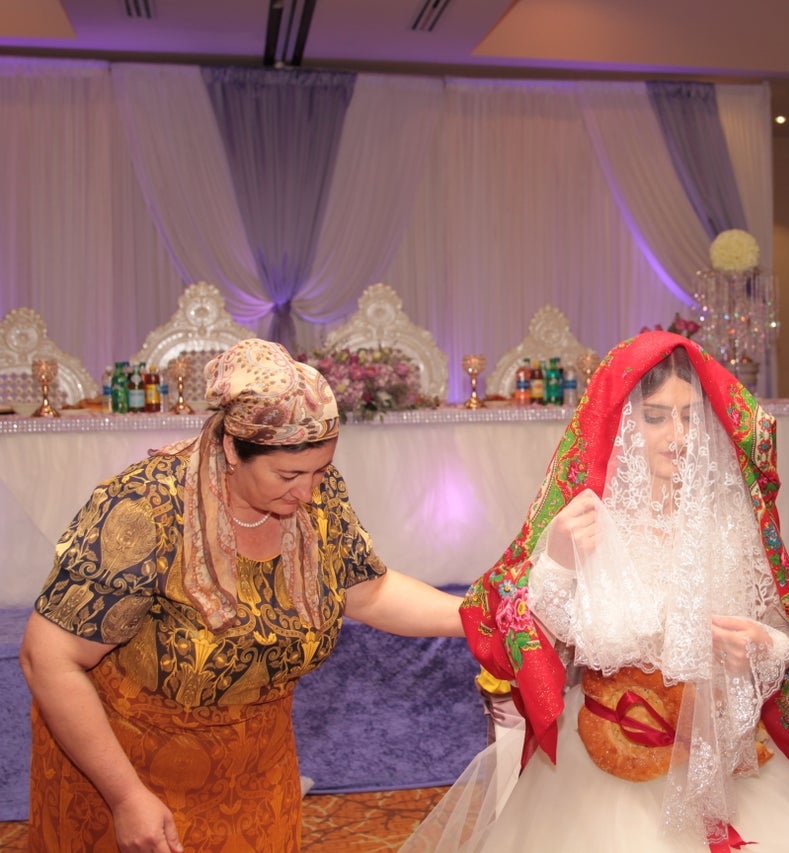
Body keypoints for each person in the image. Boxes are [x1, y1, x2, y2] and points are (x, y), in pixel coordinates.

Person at [19, 339, 465, 853]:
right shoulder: (144, 509)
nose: (308, 493)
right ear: (233, 449)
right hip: (126, 763)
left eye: (321, 471)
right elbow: (47, 659)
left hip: (253, 768)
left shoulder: (315, 495)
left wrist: (476, 616)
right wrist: (124, 796)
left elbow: (366, 591)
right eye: (290, 475)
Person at [403, 331, 789, 851]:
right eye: (656, 416)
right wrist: (558, 562)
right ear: (622, 422)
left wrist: (762, 647)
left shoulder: (731, 521)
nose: (679, 435)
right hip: (611, 751)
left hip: (715, 751)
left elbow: (780, 627)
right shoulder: (586, 520)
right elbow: (545, 640)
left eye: (691, 416)